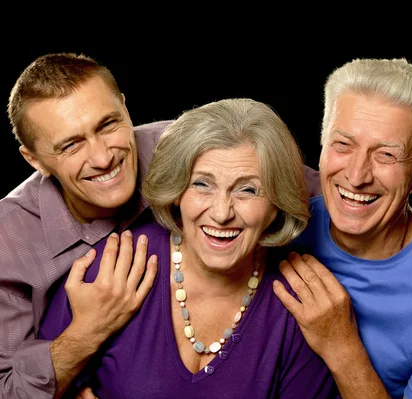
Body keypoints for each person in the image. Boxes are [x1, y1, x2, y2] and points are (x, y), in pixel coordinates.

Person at [38, 98, 339, 398]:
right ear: (177, 192)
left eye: (248, 189)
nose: (222, 213)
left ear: (276, 204)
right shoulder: (114, 267)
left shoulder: (300, 303)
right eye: (202, 184)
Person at [273, 58, 412, 398]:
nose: (358, 176)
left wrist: (342, 348)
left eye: (386, 155)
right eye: (343, 145)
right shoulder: (280, 227)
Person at [0, 52, 174, 398]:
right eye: (71, 145)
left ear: (125, 108)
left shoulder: (186, 149)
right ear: (34, 160)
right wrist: (88, 331)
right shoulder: (8, 241)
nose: (102, 157)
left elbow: (308, 198)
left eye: (108, 124)